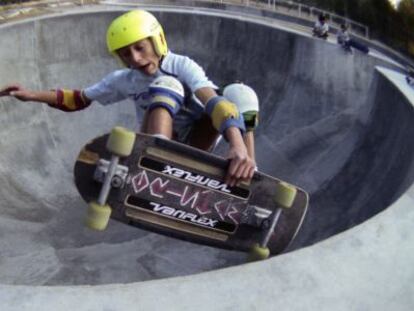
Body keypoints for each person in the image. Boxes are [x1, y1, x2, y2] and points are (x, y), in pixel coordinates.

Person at [0, 10, 258, 187]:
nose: (134, 58)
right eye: (125, 54)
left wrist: (236, 145)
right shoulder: (124, 79)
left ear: (156, 41)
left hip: (197, 144)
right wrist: (31, 95)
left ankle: (249, 170)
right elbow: (79, 99)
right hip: (156, 144)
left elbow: (214, 102)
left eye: (139, 48)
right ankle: (158, 159)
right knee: (165, 86)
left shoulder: (182, 65)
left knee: (239, 93)